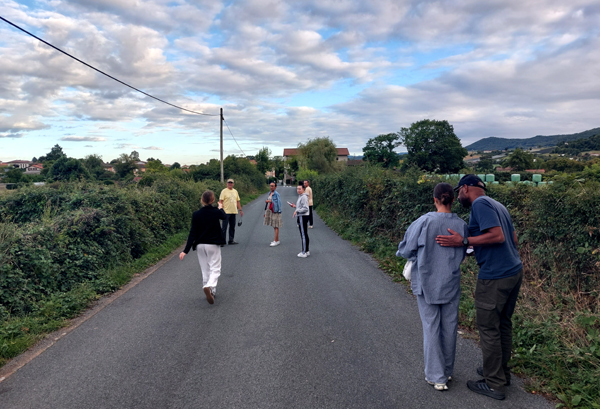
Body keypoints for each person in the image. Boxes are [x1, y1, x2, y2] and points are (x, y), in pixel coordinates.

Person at [436, 174, 523, 401]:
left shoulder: (480, 204)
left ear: (465, 188)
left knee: (488, 328)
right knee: (503, 324)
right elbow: (512, 239)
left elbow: (497, 236)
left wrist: (464, 241)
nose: (458, 197)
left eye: (459, 192)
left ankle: (494, 384)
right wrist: (479, 248)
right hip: (513, 270)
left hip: (495, 276)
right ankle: (501, 373)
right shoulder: (497, 204)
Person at [396, 183, 468, 391]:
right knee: (450, 327)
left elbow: (406, 249)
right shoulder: (461, 225)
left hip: (426, 282)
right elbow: (465, 251)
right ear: (453, 200)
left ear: (435, 199)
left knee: (431, 327)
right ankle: (447, 370)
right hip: (451, 281)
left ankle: (436, 376)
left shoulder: (423, 222)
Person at [179, 190, 226, 305]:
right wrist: (220, 207)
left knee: (205, 269)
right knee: (215, 268)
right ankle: (209, 286)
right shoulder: (216, 212)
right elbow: (224, 217)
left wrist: (185, 250)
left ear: (202, 200)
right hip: (213, 244)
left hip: (200, 245)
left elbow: (192, 233)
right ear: (213, 200)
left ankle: (210, 290)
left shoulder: (196, 214)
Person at [219, 178, 244, 245]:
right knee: (224, 227)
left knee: (232, 226)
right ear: (227, 184)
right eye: (229, 182)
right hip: (226, 212)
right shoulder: (224, 191)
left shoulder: (235, 191)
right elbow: (221, 201)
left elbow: (237, 201)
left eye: (231, 183)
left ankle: (231, 240)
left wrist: (240, 210)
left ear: (233, 184)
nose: (230, 184)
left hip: (233, 211)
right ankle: (222, 241)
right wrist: (220, 210)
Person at [290, 183, 310, 257]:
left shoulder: (303, 197)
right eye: (297, 189)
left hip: (302, 216)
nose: (298, 190)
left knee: (303, 234)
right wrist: (295, 206)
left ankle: (304, 252)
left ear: (303, 189)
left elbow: (305, 208)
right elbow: (301, 206)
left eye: (300, 189)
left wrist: (297, 211)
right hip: (302, 216)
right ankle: (307, 250)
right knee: (305, 234)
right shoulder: (301, 196)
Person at [264, 182, 283, 246]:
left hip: (275, 211)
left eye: (272, 186)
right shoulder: (269, 193)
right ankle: (276, 240)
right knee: (274, 226)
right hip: (270, 210)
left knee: (276, 226)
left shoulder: (276, 194)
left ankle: (276, 240)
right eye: (270, 186)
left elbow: (278, 203)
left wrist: (278, 211)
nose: (271, 187)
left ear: (275, 187)